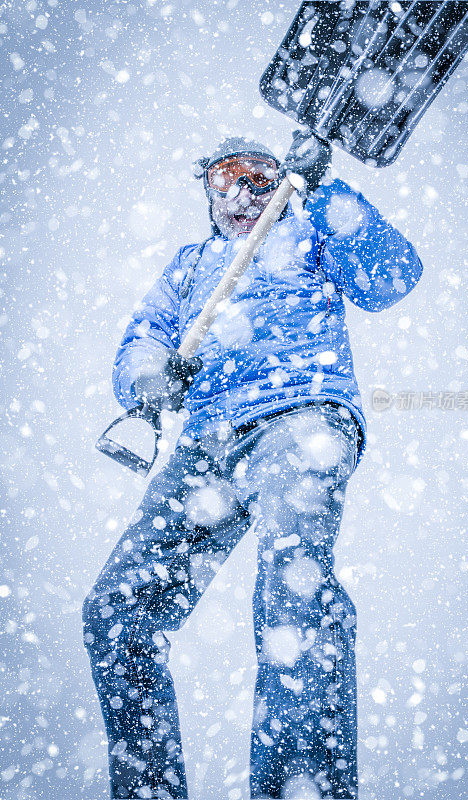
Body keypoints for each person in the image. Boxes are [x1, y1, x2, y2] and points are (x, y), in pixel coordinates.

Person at [82, 131, 423, 800]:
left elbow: (390, 277)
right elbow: (144, 341)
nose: (242, 193)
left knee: (293, 582)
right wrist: (153, 381)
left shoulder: (307, 234)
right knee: (116, 611)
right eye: (224, 178)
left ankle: (303, 787)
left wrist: (325, 193)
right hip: (209, 441)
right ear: (206, 192)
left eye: (260, 177)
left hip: (300, 415)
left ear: (284, 182)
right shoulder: (189, 267)